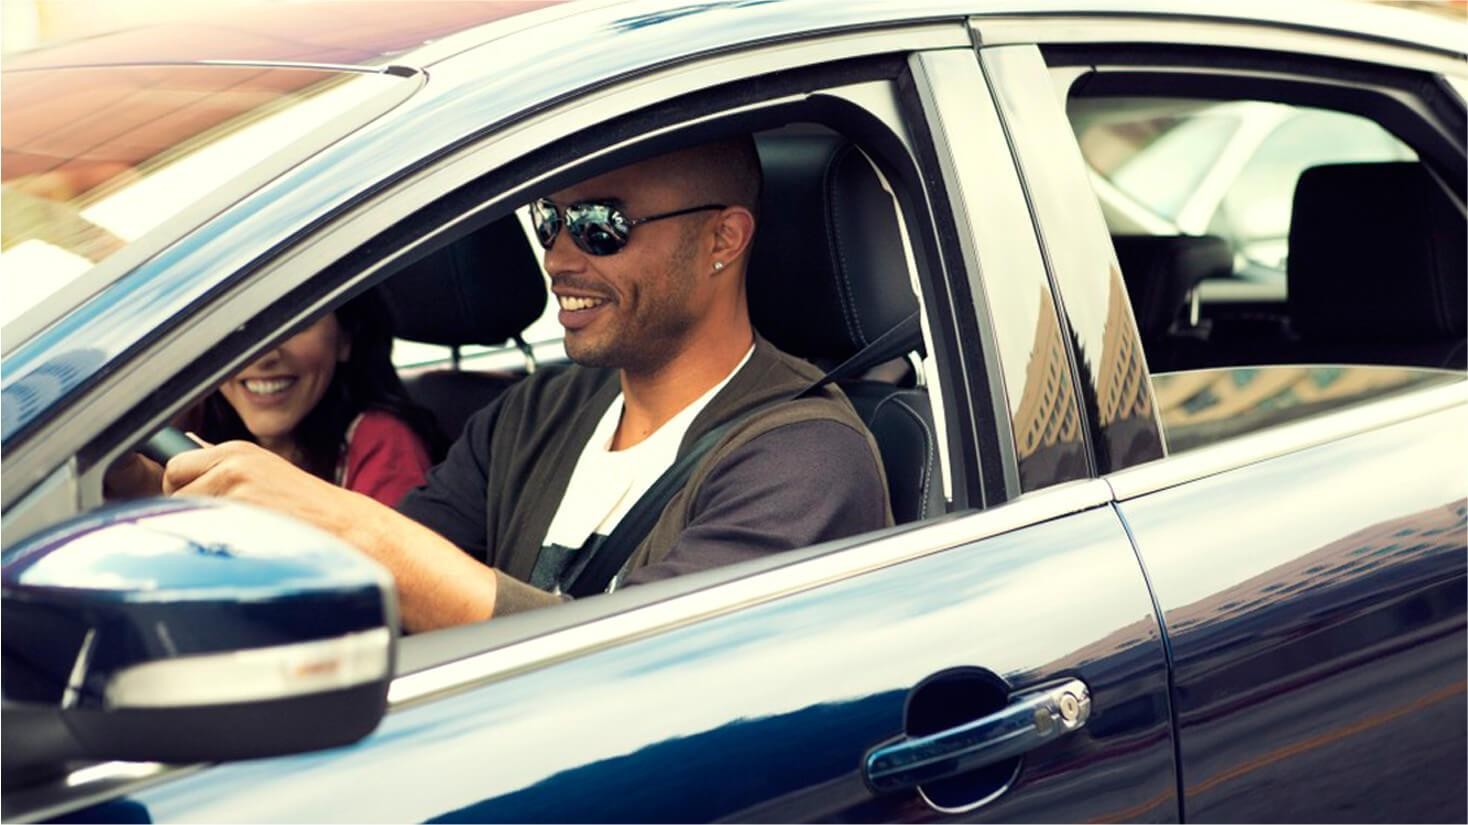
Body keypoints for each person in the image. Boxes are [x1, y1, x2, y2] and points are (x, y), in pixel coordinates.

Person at [162, 137, 892, 632]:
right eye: (551, 220)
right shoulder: (537, 408)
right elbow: (378, 589)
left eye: (602, 225)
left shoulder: (806, 458)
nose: (560, 258)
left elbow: (649, 671)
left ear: (723, 241)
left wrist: (350, 523)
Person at [109, 291, 445, 507]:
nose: (263, 356)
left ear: (345, 339)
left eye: (296, 324)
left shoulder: (383, 441)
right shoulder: (197, 420)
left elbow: (392, 591)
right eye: (240, 329)